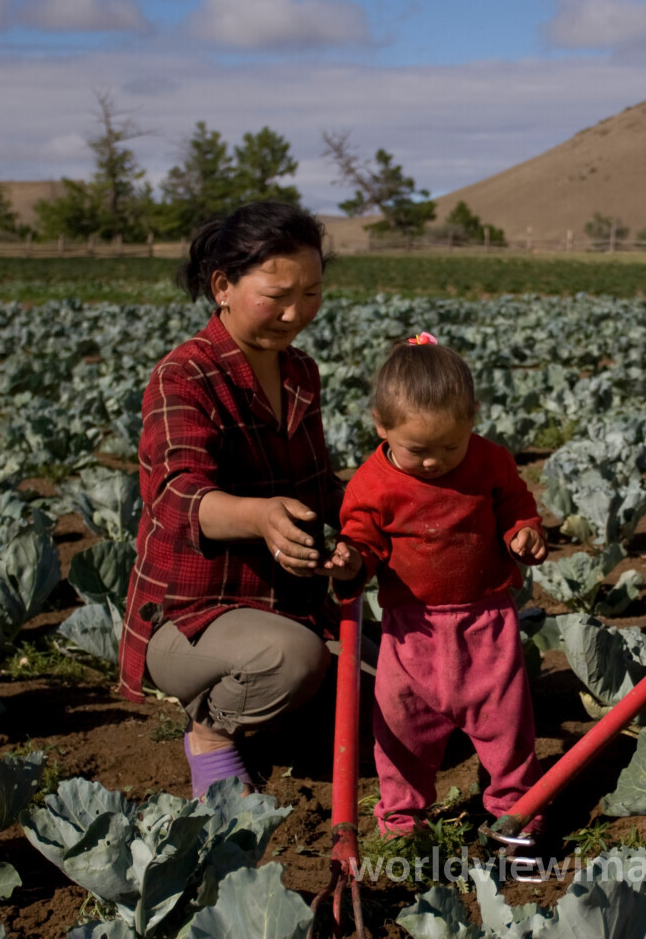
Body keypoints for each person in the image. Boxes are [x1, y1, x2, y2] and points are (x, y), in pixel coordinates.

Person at [119, 201, 364, 800]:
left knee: (399, 687)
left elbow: (319, 486)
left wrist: (378, 512)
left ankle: (272, 714)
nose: (295, 313)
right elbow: (177, 496)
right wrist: (259, 515)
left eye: (311, 294)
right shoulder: (183, 375)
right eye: (277, 295)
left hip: (289, 603)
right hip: (194, 617)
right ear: (222, 287)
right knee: (292, 660)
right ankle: (210, 732)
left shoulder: (300, 371)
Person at [338, 334, 548, 837]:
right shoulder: (371, 484)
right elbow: (362, 538)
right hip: (410, 630)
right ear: (381, 425)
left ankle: (515, 808)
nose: (434, 461)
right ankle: (401, 817)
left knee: (506, 722)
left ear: (473, 417)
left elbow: (516, 505)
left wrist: (524, 532)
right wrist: (350, 560)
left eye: (451, 446)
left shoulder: (491, 461)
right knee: (402, 727)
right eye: (418, 450)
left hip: (487, 619)